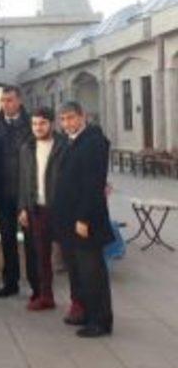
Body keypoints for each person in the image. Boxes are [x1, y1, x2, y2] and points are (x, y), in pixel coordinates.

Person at [53, 101, 114, 338]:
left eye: (71, 118)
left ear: (82, 117)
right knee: (78, 271)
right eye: (63, 119)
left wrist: (83, 218)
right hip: (69, 220)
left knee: (92, 272)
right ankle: (88, 314)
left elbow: (92, 184)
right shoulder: (74, 140)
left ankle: (101, 320)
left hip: (84, 221)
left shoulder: (93, 142)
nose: (67, 123)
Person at [0, 85, 35, 298]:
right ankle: (10, 282)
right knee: (7, 240)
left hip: (27, 193)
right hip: (4, 193)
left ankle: (38, 285)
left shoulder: (32, 123)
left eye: (10, 100)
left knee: (32, 241)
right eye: (3, 100)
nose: (6, 104)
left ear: (19, 101)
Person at [17, 107, 67, 311]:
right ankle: (45, 296)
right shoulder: (27, 148)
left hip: (62, 209)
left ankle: (79, 303)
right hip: (36, 209)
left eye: (42, 123)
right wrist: (22, 208)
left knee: (70, 257)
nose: (38, 127)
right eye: (35, 124)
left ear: (51, 124)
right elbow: (23, 180)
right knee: (41, 256)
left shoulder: (64, 145)